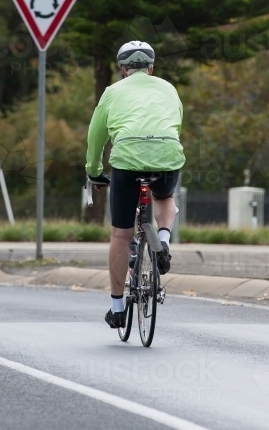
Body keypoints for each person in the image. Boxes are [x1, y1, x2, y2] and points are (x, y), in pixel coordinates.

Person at [85, 40, 185, 329]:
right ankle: (163, 241)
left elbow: (96, 137)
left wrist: (94, 170)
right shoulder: (168, 88)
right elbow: (176, 124)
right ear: (151, 68)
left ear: (122, 70)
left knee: (121, 235)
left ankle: (117, 308)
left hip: (127, 159)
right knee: (164, 197)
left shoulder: (112, 92)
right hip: (167, 153)